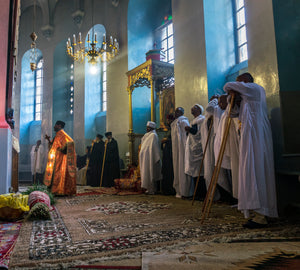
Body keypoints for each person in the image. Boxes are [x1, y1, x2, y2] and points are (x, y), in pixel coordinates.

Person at [224, 72, 278, 228]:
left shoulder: (254, 88)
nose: (238, 85)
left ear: (245, 81)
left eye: (239, 82)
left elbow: (227, 86)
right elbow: (232, 113)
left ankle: (261, 215)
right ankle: (259, 212)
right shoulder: (249, 97)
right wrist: (233, 99)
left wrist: (233, 90)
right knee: (252, 169)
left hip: (254, 134)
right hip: (252, 134)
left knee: (255, 169)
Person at [44, 120, 77, 195]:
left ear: (59, 126)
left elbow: (70, 142)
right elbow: (54, 144)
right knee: (54, 174)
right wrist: (49, 140)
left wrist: (61, 149)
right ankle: (53, 190)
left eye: (55, 125)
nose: (54, 126)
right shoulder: (57, 134)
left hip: (60, 159)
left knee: (58, 175)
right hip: (55, 158)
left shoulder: (62, 134)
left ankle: (59, 190)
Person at [184, 104, 205, 199]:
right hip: (193, 149)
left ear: (199, 110)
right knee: (194, 172)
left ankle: (201, 194)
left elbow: (197, 133)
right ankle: (196, 193)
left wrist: (190, 129)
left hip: (198, 149)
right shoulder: (193, 120)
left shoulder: (201, 120)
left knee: (199, 173)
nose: (192, 109)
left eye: (195, 108)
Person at [171, 107, 190, 198]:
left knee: (182, 167)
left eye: (178, 111)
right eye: (175, 111)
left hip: (182, 147)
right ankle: (178, 190)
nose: (176, 113)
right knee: (177, 167)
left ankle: (185, 190)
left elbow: (186, 136)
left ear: (182, 112)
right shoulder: (174, 123)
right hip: (176, 149)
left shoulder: (183, 121)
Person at [139, 121, 162, 194]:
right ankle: (148, 188)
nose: (147, 129)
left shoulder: (153, 135)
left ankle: (152, 189)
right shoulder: (146, 135)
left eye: (148, 127)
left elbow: (154, 148)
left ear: (152, 128)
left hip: (150, 157)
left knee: (150, 172)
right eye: (147, 127)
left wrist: (156, 156)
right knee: (146, 173)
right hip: (145, 158)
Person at [161, 114, 176, 195]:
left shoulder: (174, 129)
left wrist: (167, 140)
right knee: (165, 171)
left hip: (170, 154)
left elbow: (175, 141)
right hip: (166, 153)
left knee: (170, 172)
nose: (168, 122)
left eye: (169, 120)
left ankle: (171, 189)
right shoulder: (169, 130)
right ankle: (166, 189)